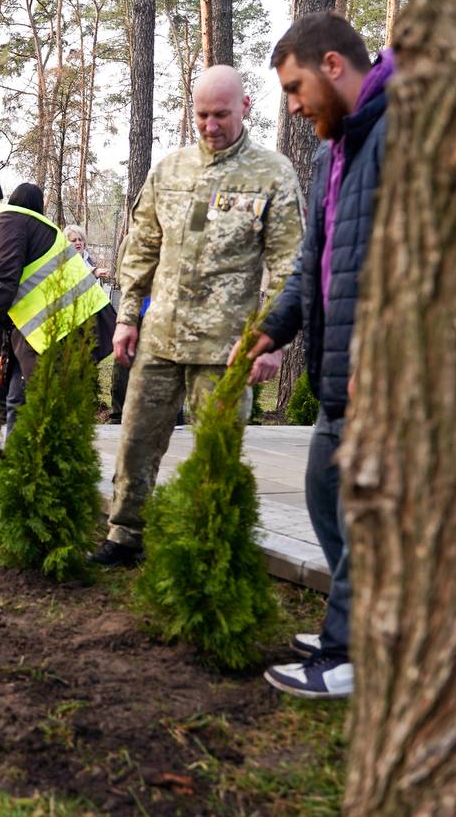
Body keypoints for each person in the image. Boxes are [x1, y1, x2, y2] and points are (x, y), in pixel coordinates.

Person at [89, 64, 303, 568]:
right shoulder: (171, 169)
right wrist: (126, 317)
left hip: (226, 349)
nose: (210, 125)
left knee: (216, 452)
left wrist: (271, 342)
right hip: (160, 339)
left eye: (221, 115)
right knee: (136, 441)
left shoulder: (272, 174)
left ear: (245, 108)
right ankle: (124, 536)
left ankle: (207, 547)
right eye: (202, 115)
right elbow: (141, 246)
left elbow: (288, 267)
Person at [238, 13, 391, 700]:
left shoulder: (401, 131)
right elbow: (313, 261)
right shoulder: (334, 154)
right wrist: (273, 328)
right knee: (323, 497)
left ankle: (350, 651)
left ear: (333, 64)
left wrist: (384, 358)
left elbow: (414, 262)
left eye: (297, 88)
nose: (294, 108)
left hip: (381, 374)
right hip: (337, 372)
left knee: (364, 514)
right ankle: (361, 621)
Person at [0, 182, 117, 434]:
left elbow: (3, 286)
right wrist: (6, 354)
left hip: (69, 329)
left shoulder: (4, 225)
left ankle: (31, 469)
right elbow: (15, 302)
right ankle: (17, 469)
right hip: (45, 334)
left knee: (37, 412)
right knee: (17, 402)